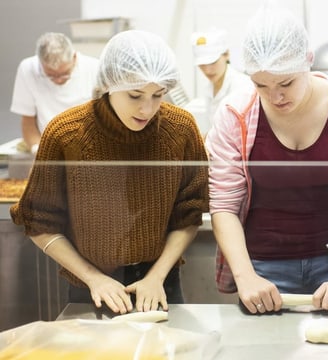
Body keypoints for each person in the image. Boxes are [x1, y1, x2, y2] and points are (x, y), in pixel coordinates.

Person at [205, 5, 328, 315]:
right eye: (261, 85)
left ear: (308, 60)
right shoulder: (235, 114)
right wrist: (246, 277)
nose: (275, 97)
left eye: (286, 83)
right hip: (261, 267)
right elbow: (224, 203)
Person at [10, 30, 209, 315]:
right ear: (109, 84)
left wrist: (155, 276)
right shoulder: (66, 134)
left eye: (158, 95)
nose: (147, 108)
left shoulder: (181, 129)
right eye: (135, 95)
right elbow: (39, 221)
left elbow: (189, 213)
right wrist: (93, 278)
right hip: (89, 286)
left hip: (160, 282)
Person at [10, 32, 99, 154]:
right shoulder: (27, 69)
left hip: (87, 146)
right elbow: (28, 120)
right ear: (40, 63)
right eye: (50, 75)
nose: (58, 80)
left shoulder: (94, 69)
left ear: (74, 57)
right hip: (46, 144)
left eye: (64, 74)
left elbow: (102, 120)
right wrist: (38, 151)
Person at [187, 27, 254, 136]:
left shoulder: (243, 87)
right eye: (202, 64)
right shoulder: (209, 87)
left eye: (213, 62)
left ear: (226, 54)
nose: (208, 70)